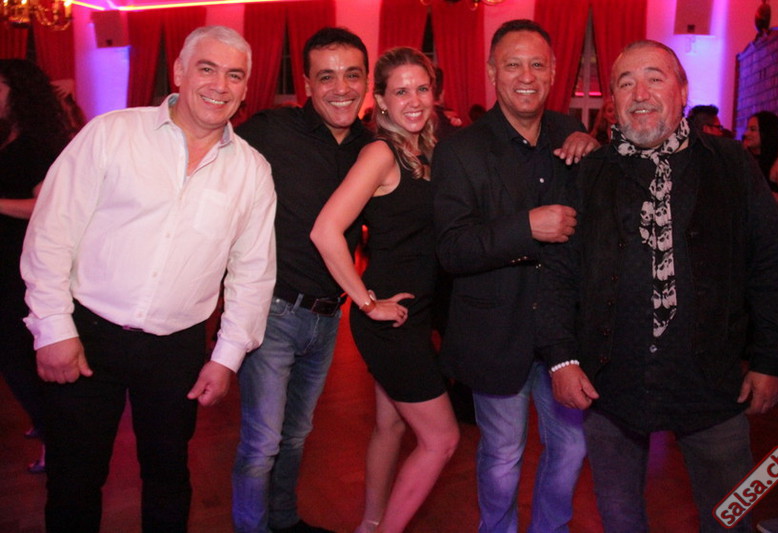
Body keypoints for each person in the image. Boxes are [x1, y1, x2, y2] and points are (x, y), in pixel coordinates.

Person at [20, 25, 277, 533]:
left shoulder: (252, 171)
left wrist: (226, 357)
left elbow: (253, 274)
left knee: (168, 478)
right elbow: (51, 231)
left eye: (234, 75)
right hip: (87, 336)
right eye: (207, 68)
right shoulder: (111, 134)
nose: (219, 85)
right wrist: (52, 327)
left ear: (247, 87)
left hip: (176, 350)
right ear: (179, 72)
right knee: (73, 480)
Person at [542, 40, 778, 532]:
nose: (640, 93)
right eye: (626, 83)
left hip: (714, 385)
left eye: (654, 78)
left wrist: (770, 359)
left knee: (732, 513)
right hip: (609, 387)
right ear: (612, 101)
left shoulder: (731, 164)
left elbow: (769, 265)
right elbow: (557, 273)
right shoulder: (588, 174)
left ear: (682, 90)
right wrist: (561, 358)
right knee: (619, 515)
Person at [432, 19, 599, 533]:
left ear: (553, 72)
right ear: (491, 72)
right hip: (495, 334)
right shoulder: (459, 149)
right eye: (513, 64)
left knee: (571, 447)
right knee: (503, 456)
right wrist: (527, 227)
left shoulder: (574, 140)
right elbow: (452, 249)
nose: (526, 76)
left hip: (563, 337)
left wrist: (597, 157)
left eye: (537, 64)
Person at [312, 47, 460, 533]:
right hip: (390, 321)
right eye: (400, 91)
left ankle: (371, 523)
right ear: (380, 100)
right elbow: (325, 231)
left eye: (422, 88)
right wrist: (367, 303)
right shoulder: (381, 153)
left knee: (391, 425)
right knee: (441, 441)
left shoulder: (427, 151)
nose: (413, 100)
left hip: (411, 315)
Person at [231, 27, 372, 533]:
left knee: (295, 435)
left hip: (328, 316)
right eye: (326, 77)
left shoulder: (372, 148)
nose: (341, 88)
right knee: (261, 442)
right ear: (308, 85)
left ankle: (285, 522)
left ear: (366, 82)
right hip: (272, 312)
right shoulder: (272, 130)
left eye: (352, 75)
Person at [0, 59, 72, 474]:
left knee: (17, 355)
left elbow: (44, 208)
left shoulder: (39, 144)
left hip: (22, 262)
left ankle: (54, 437)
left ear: (19, 92)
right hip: (7, 257)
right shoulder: (8, 135)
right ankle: (45, 423)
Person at [743, 111, 778, 218]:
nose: (746, 134)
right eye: (747, 129)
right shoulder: (749, 159)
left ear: (766, 133)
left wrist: (759, 193)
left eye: (753, 129)